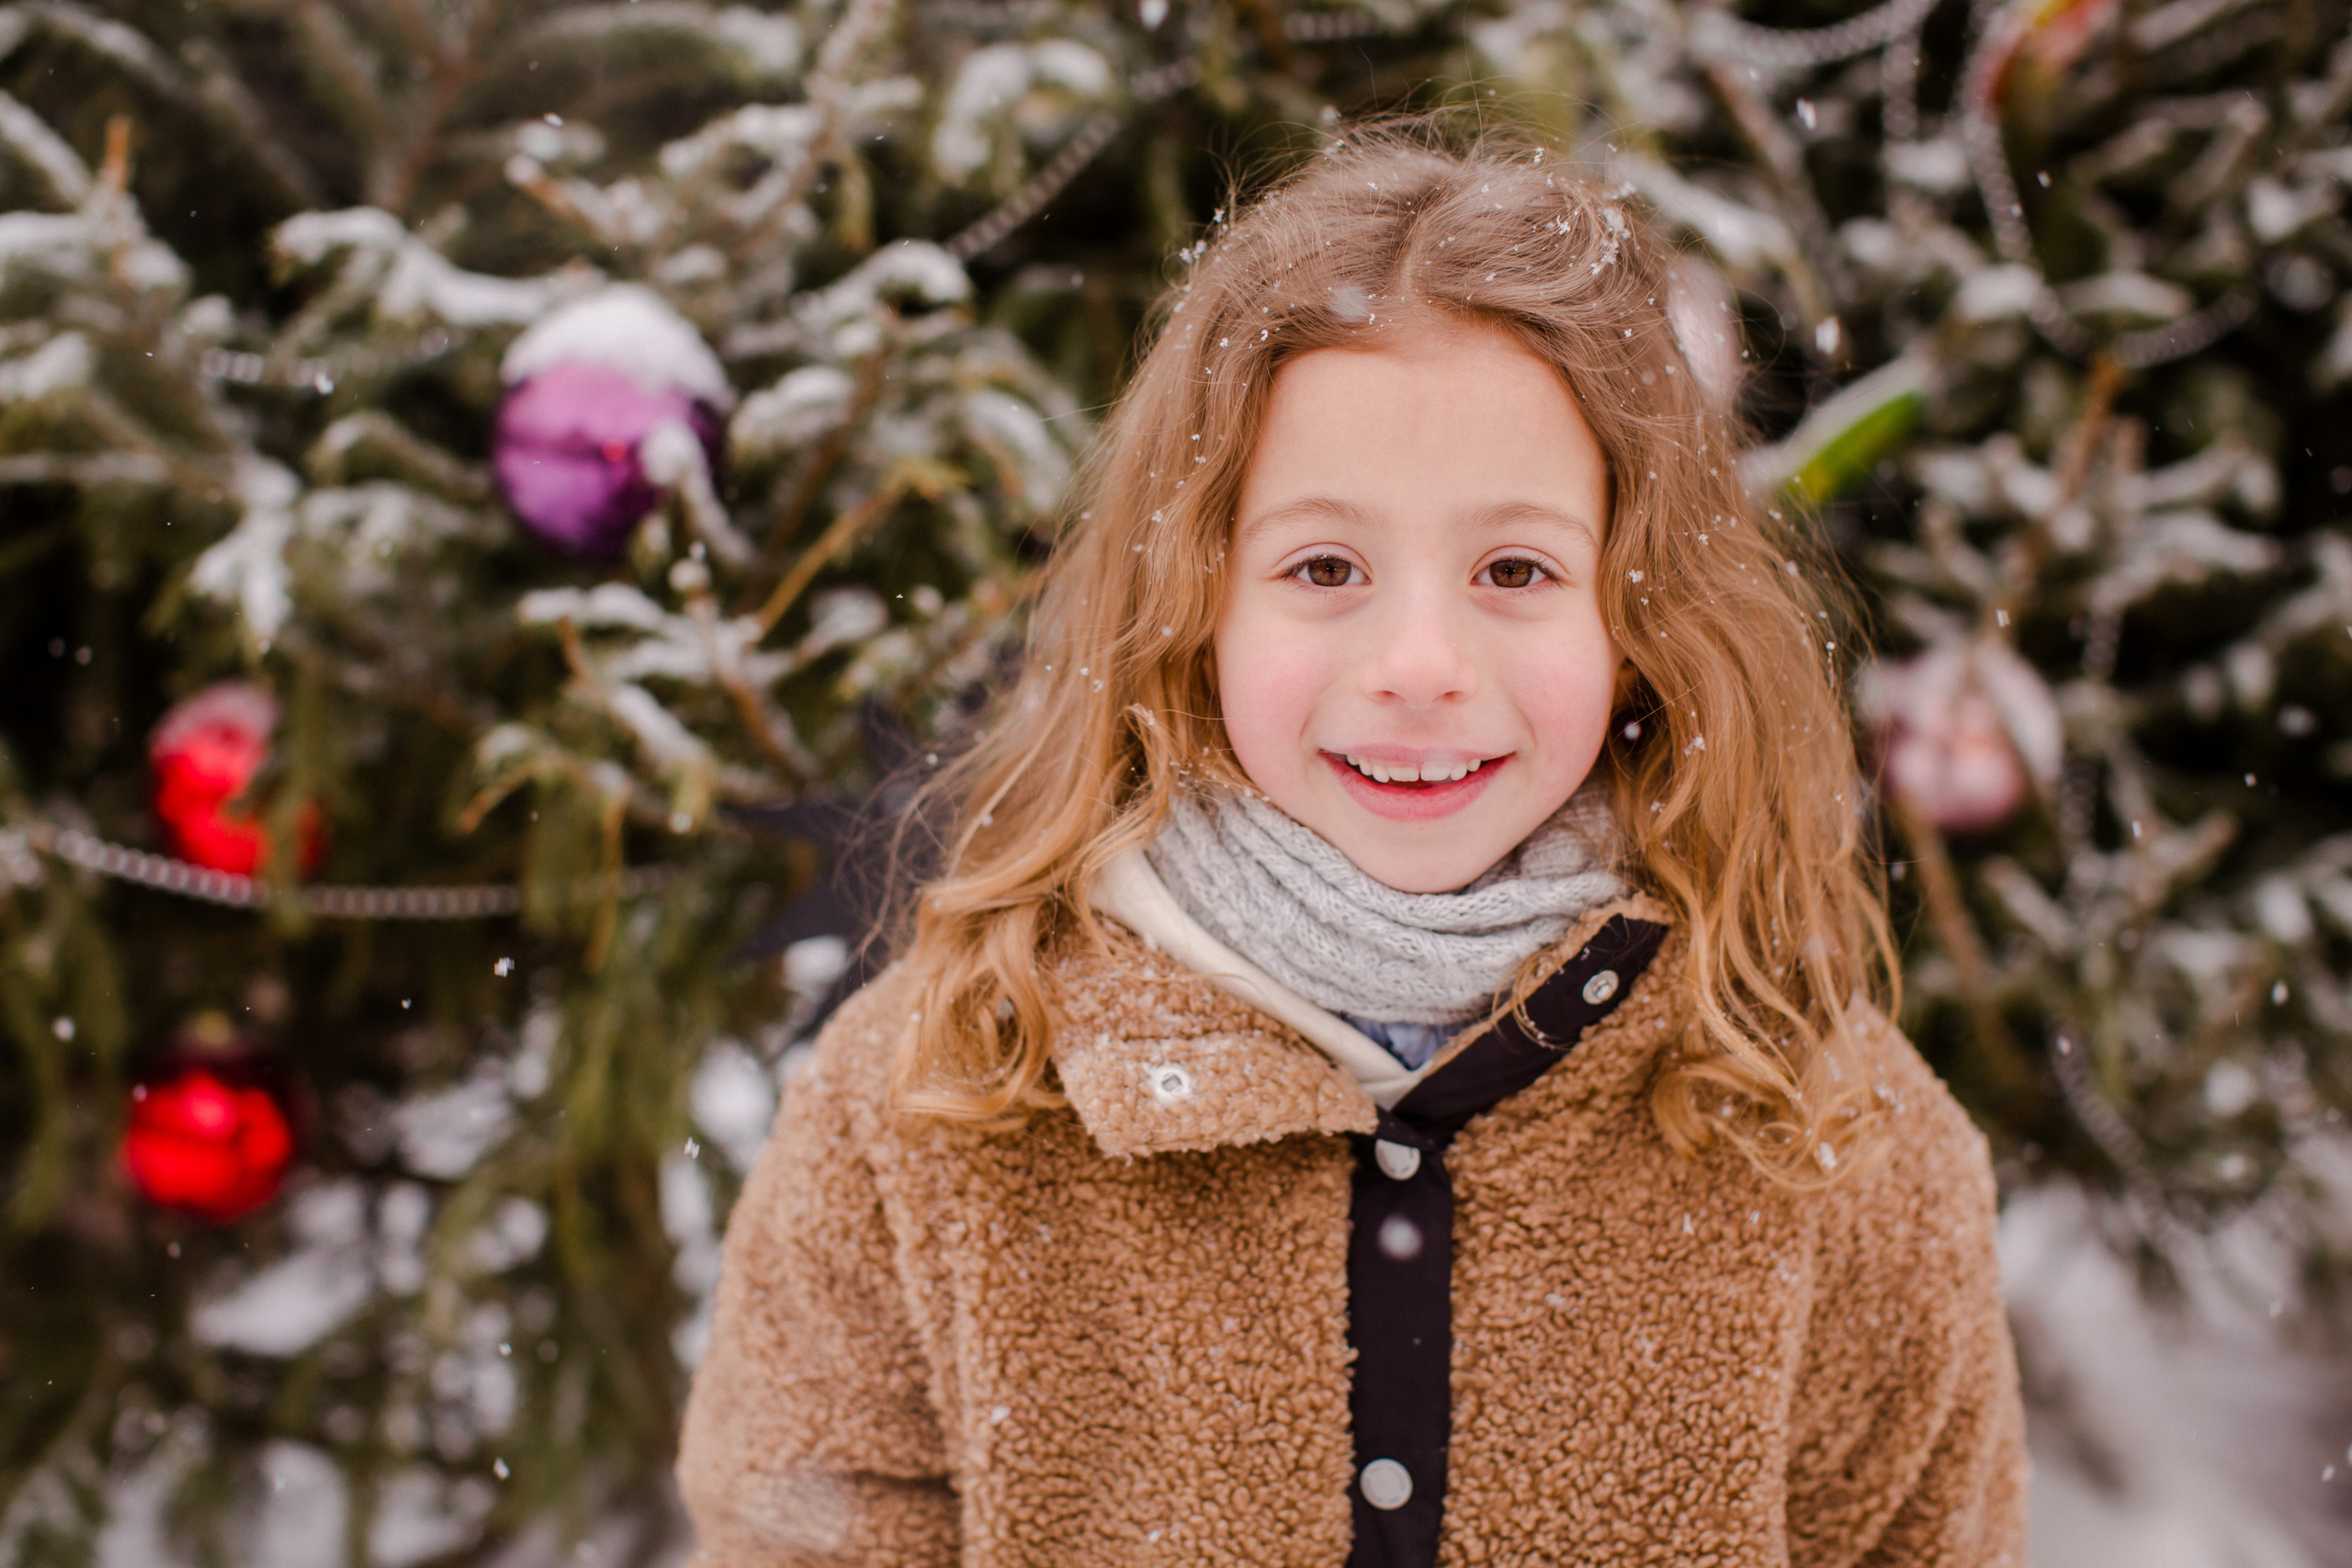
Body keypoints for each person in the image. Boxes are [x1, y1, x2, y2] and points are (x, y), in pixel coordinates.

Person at [678, 124, 2028, 1567]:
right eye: (1325, 567)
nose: (1420, 662)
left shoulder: (1839, 1143)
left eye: (1516, 569)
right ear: (1194, 600)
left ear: (1639, 623)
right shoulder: (925, 1103)